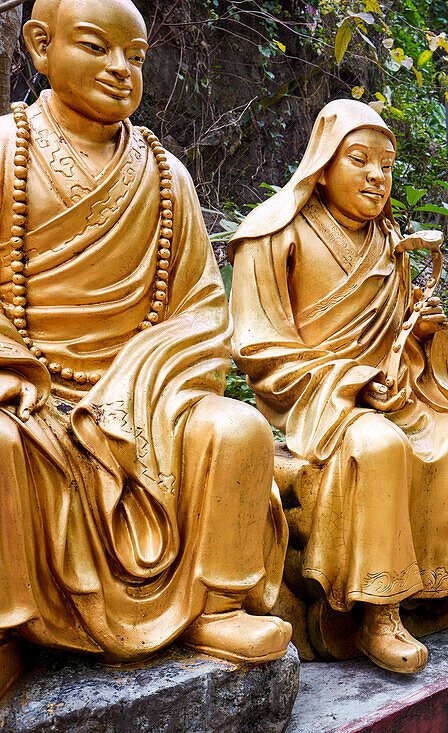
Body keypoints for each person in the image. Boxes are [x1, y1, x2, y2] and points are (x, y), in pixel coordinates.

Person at [0, 0, 291, 691]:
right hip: (28, 391)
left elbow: (200, 312)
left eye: (135, 56)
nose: (119, 69)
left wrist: (136, 387)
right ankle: (9, 624)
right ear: (39, 46)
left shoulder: (168, 178)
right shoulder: (3, 153)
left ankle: (215, 602)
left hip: (141, 402)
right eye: (97, 47)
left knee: (238, 427)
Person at [229, 100, 448, 674]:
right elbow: (258, 347)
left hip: (398, 394)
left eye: (388, 165)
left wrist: (422, 337)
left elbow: (403, 342)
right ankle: (379, 611)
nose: (378, 176)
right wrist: (352, 381)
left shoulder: (389, 239)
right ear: (323, 165)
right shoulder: (273, 233)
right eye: (360, 161)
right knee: (379, 448)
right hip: (322, 400)